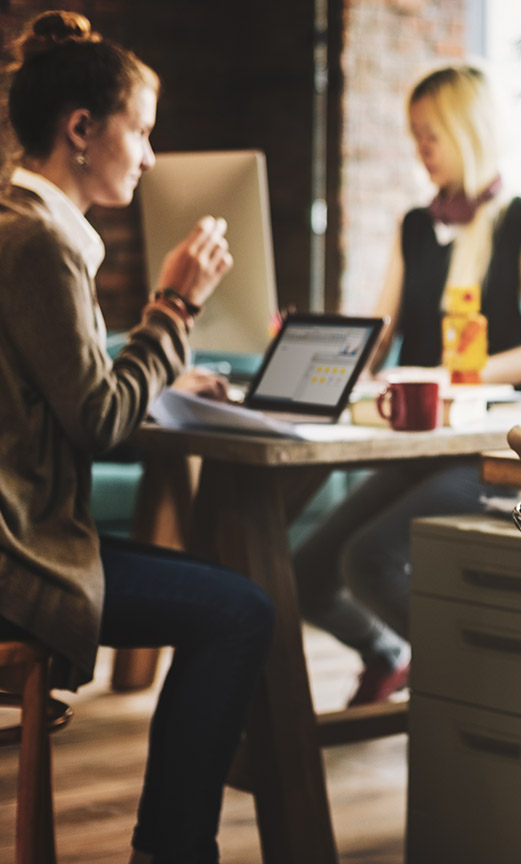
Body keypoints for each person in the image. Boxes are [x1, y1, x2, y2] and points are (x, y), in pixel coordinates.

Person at [0, 12, 274, 863]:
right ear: (82, 130)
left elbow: (64, 383)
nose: (151, 155)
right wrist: (174, 307)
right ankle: (173, 850)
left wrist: (152, 363)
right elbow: (104, 422)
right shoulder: (38, 243)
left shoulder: (18, 225)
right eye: (142, 131)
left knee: (228, 604)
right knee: (241, 610)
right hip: (23, 559)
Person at [293, 64, 521, 706]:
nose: (419, 150)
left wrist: (453, 375)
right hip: (425, 441)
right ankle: (390, 655)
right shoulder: (415, 227)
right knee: (307, 570)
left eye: (429, 135)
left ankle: (484, 696)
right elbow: (379, 328)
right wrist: (335, 358)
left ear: (466, 133)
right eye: (414, 135)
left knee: (368, 558)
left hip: (496, 449)